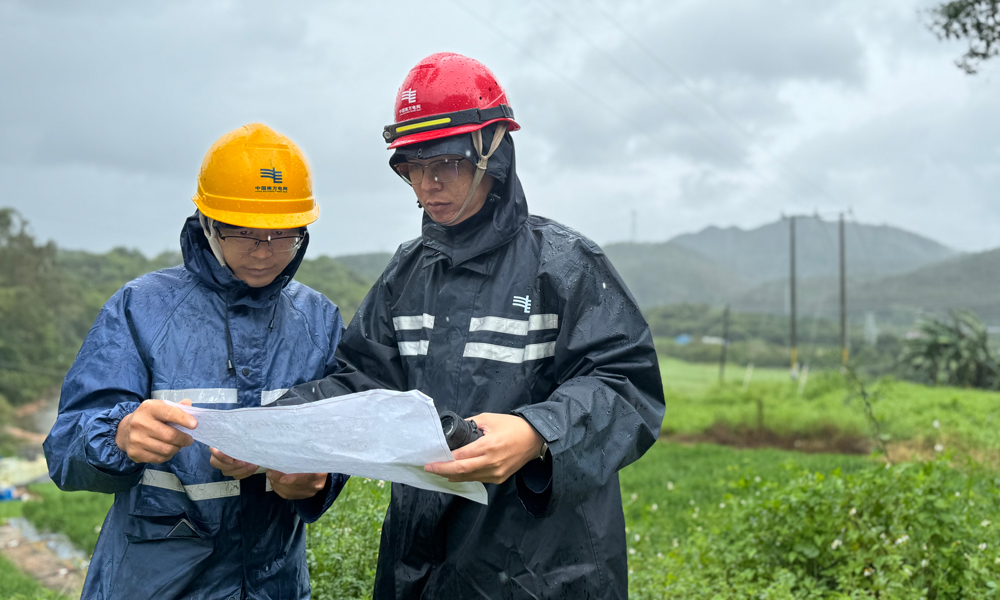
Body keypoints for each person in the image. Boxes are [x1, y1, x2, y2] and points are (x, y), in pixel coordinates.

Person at [278, 52, 666, 599]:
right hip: (421, 567)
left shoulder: (567, 265)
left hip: (547, 569)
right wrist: (284, 433)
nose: (428, 185)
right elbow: (360, 382)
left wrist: (536, 434)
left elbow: (626, 387)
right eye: (414, 168)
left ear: (493, 154)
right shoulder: (405, 276)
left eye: (446, 166)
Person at [43, 123, 345, 599]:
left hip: (276, 584)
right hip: (154, 585)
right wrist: (119, 436)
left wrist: (317, 480)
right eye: (243, 234)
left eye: (284, 236)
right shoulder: (140, 308)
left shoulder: (318, 320)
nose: (265, 254)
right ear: (207, 224)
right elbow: (63, 450)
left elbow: (341, 435)